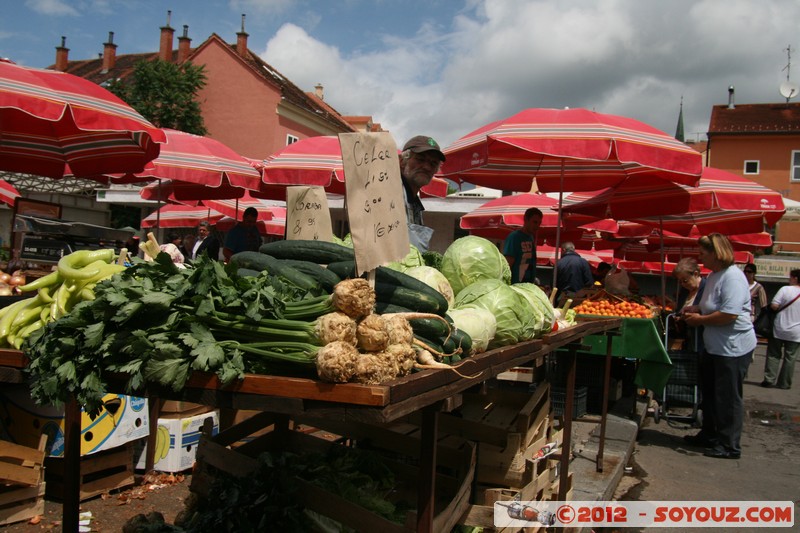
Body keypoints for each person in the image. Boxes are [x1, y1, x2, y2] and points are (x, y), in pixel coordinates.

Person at [682, 234, 756, 459]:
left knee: (728, 397)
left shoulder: (733, 277)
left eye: (703, 253)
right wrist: (697, 311)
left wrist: (701, 320)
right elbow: (713, 306)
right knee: (712, 394)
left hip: (732, 348)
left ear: (716, 253)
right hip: (714, 346)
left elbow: (729, 314)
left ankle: (729, 445)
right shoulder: (714, 275)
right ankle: (710, 433)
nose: (699, 257)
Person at [398, 135, 446, 252]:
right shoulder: (389, 194)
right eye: (420, 159)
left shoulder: (414, 203)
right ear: (402, 161)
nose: (426, 167)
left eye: (433, 163)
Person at [761, 269, 800, 389]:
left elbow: (774, 305)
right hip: (796, 332)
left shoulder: (785, 289)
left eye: (790, 277)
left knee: (773, 354)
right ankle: (784, 383)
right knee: (790, 358)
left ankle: (769, 379)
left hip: (779, 328)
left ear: (795, 278)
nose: (789, 279)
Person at [503, 207, 543, 284]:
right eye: (534, 222)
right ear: (526, 220)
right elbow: (507, 263)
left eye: (539, 223)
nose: (537, 226)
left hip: (527, 285)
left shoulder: (531, 238)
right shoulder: (514, 237)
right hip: (515, 285)